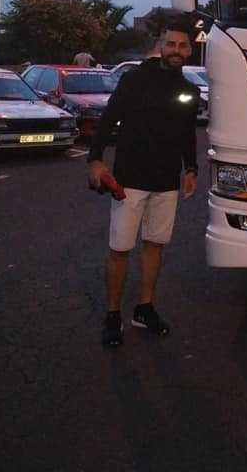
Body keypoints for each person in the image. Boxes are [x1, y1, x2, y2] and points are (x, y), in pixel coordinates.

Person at [88, 19, 200, 347]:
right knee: (120, 249)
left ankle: (144, 308)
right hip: (129, 181)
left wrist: (191, 169)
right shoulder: (134, 80)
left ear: (190, 51)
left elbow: (187, 133)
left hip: (166, 183)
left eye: (182, 45)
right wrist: (95, 159)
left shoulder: (189, 90)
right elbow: (108, 120)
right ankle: (113, 315)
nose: (176, 50)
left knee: (154, 246)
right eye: (171, 44)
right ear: (160, 46)